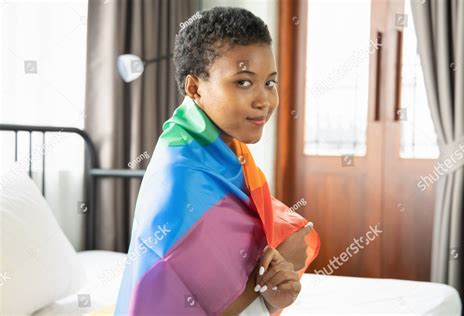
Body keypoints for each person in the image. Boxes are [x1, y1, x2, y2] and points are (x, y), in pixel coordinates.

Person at [113, 7, 320, 315]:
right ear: (195, 87)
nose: (264, 100)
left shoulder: (223, 152)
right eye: (243, 82)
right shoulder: (181, 176)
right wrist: (277, 271)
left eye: (270, 82)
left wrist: (271, 291)